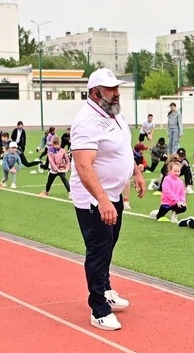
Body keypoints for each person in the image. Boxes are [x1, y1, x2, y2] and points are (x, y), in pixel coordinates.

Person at [69, 68, 146, 331]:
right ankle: (98, 308)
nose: (116, 93)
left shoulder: (115, 115)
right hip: (94, 199)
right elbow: (83, 166)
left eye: (117, 88)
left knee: (109, 245)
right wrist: (102, 200)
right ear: (95, 92)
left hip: (113, 195)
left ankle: (106, 288)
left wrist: (135, 173)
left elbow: (124, 149)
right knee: (99, 249)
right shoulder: (86, 122)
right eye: (111, 89)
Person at [149, 159, 186, 223]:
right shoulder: (167, 179)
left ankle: (174, 214)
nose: (177, 173)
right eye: (175, 171)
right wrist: (177, 200)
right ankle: (156, 213)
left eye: (178, 171)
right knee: (159, 217)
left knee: (183, 207)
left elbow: (182, 193)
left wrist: (182, 201)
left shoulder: (180, 182)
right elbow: (167, 191)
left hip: (176, 203)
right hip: (166, 203)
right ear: (170, 170)